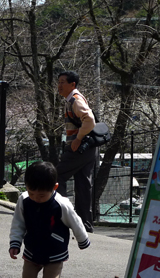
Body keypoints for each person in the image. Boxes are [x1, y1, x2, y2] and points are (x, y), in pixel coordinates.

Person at [9, 161, 91, 278]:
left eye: (41, 196)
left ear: (54, 187)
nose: (35, 198)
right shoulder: (24, 200)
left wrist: (82, 240)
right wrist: (15, 243)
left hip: (55, 252)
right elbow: (18, 223)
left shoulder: (61, 204)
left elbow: (76, 222)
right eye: (31, 193)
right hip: (32, 250)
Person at [55, 70, 96, 232]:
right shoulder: (74, 98)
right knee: (83, 184)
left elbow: (89, 119)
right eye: (58, 82)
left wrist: (78, 138)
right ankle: (84, 223)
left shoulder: (74, 99)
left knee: (58, 175)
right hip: (89, 147)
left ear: (72, 84)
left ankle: (62, 215)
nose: (59, 85)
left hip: (79, 147)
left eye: (63, 82)